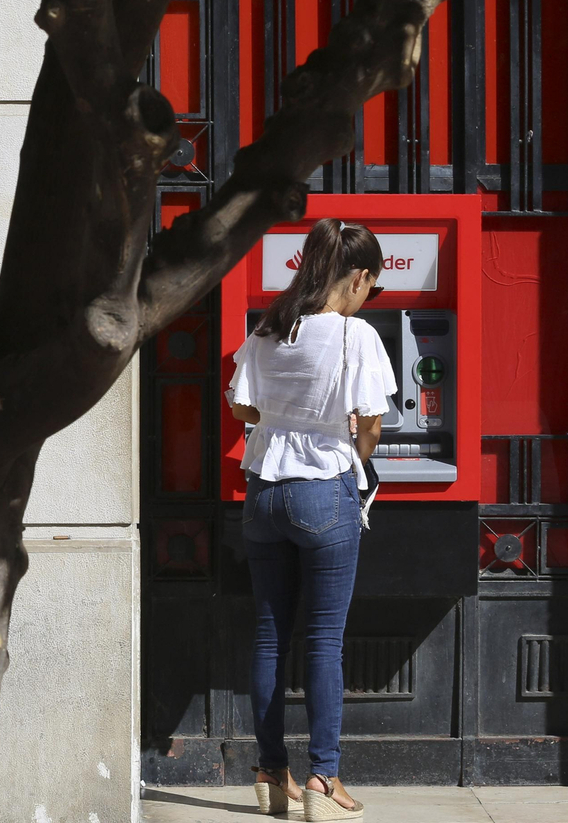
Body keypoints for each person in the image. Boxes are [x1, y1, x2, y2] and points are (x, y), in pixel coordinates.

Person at [226, 218, 395, 822]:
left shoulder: (271, 328)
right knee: (324, 641)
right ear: (358, 276)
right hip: (324, 492)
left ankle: (273, 775)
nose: (369, 296)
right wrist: (349, 448)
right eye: (371, 286)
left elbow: (242, 402)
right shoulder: (355, 337)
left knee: (269, 636)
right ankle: (324, 779)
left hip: (264, 494)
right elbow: (371, 425)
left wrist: (283, 415)